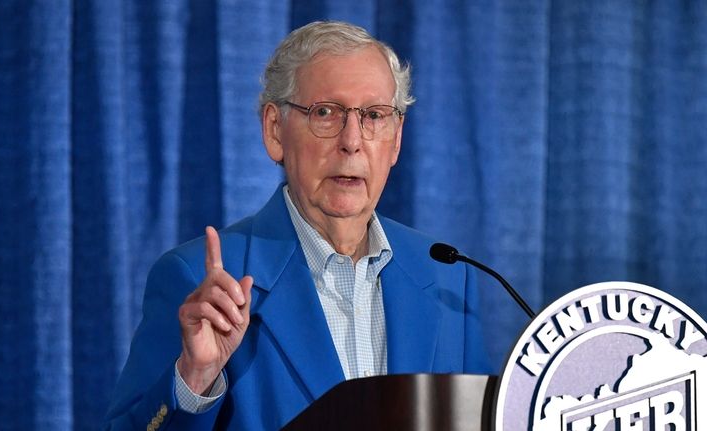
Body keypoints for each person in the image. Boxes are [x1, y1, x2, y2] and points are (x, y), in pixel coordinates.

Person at [103, 20, 490, 430]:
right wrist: (194, 380)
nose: (352, 140)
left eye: (374, 115)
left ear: (395, 140)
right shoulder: (196, 280)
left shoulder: (448, 276)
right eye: (326, 112)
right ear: (275, 131)